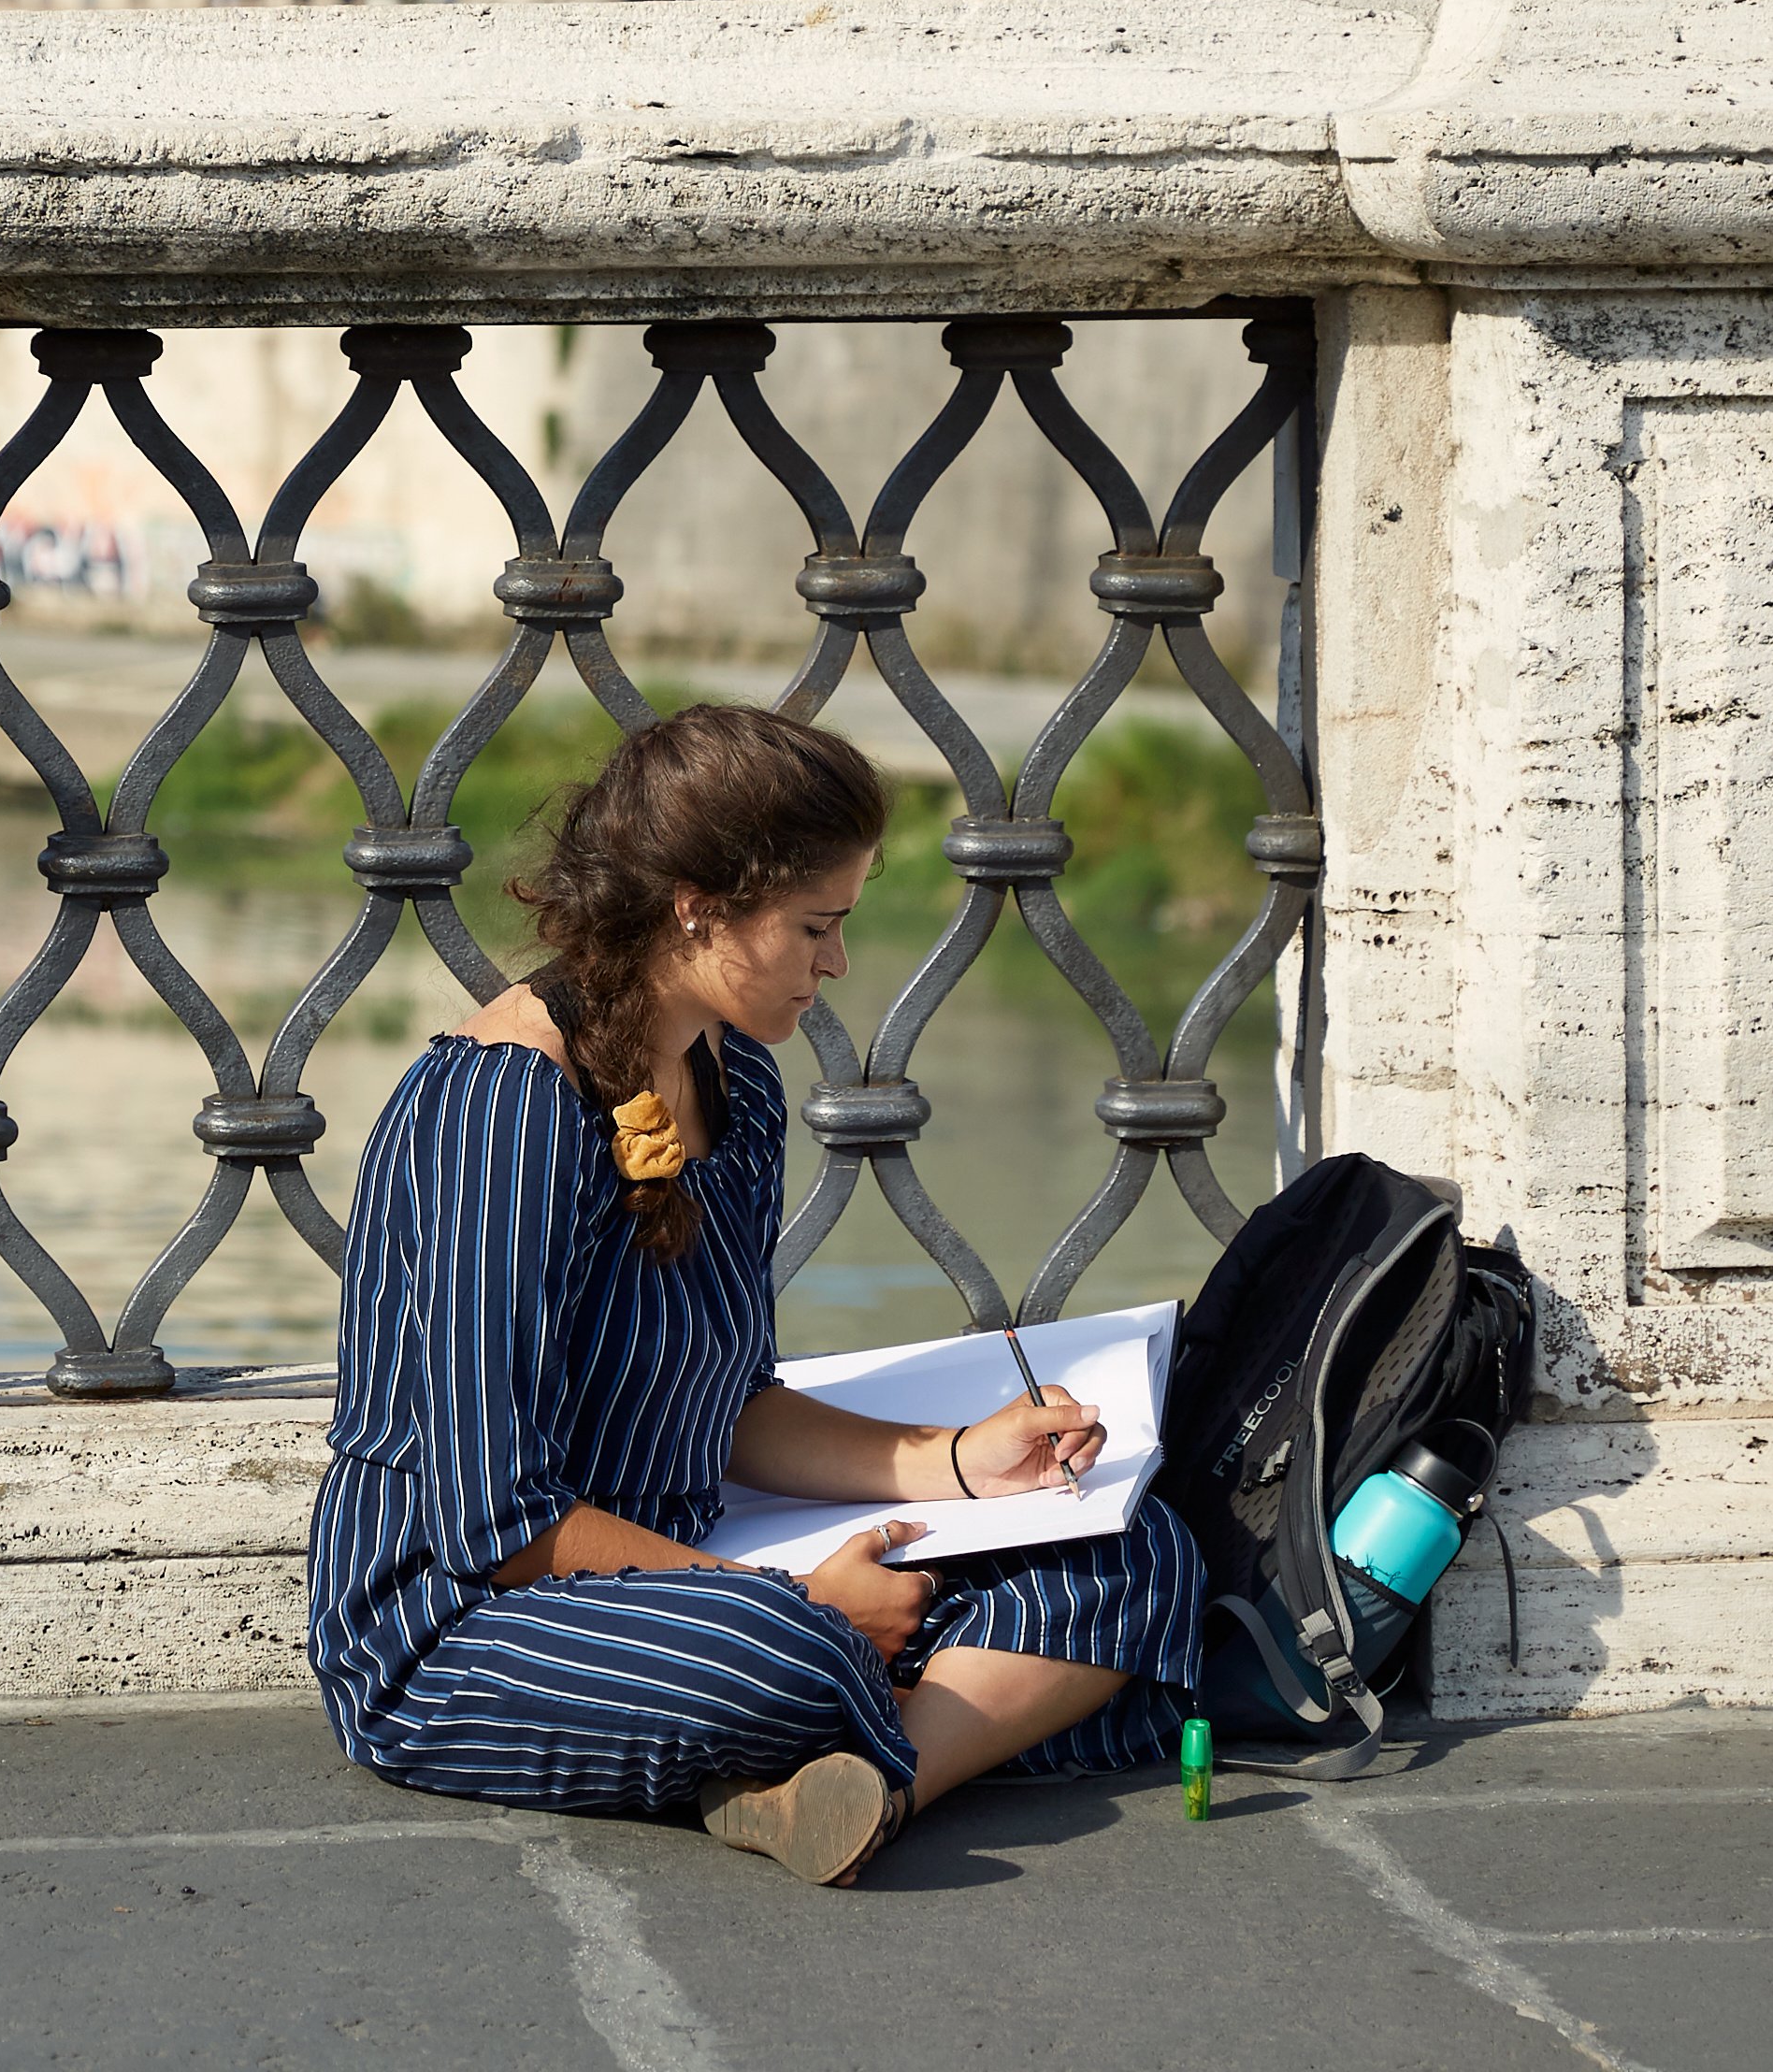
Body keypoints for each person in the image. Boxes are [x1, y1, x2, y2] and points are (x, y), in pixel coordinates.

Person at [310, 704, 1202, 1885]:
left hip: (675, 1564)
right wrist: (805, 1598)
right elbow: (496, 1523)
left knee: (1134, 1550)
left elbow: (727, 1406)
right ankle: (885, 1715)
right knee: (786, 1647)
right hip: (462, 1624)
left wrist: (959, 1460)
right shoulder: (502, 1111)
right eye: (815, 925)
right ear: (698, 904)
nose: (835, 963)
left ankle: (869, 1791)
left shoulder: (735, 1081)